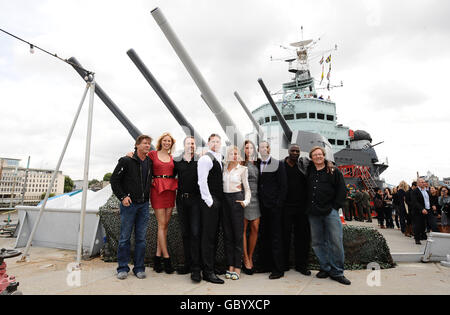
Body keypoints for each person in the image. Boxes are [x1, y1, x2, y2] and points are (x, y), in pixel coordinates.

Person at [304, 146, 350, 285]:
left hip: (330, 211)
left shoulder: (333, 171)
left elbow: (342, 190)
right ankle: (325, 267)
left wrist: (335, 207)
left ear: (324, 156)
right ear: (311, 158)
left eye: (320, 154)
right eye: (315, 155)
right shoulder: (309, 171)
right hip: (313, 212)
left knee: (335, 241)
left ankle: (337, 272)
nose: (318, 157)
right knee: (318, 242)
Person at [110, 135, 153, 280]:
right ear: (137, 145)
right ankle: (122, 268)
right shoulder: (126, 161)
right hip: (129, 205)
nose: (147, 146)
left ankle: (139, 268)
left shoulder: (149, 162)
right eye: (145, 143)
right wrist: (122, 197)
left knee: (141, 238)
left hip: (144, 205)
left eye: (149, 144)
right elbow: (114, 180)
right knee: (124, 238)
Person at [173, 136, 202, 282]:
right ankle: (188, 264)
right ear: (184, 145)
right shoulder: (177, 161)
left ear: (195, 146)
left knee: (196, 233)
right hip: (182, 201)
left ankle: (196, 269)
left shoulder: (201, 160)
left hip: (196, 200)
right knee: (185, 233)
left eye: (193, 143)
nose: (190, 145)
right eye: (188, 143)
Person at [148, 133, 178, 273]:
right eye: (165, 140)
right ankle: (166, 258)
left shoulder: (172, 158)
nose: (167, 143)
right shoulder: (153, 154)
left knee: (165, 225)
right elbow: (141, 161)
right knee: (161, 224)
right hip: (157, 190)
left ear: (171, 143)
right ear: (161, 142)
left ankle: (157, 258)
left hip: (170, 190)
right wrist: (131, 153)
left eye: (169, 141)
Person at [257, 140, 287, 279]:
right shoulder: (257, 164)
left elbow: (283, 186)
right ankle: (265, 265)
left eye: (265, 147)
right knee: (263, 236)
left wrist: (278, 204)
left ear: (269, 149)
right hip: (261, 207)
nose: (263, 149)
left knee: (276, 237)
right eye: (261, 147)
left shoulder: (278, 164)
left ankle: (278, 269)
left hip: (274, 207)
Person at [197, 133, 225, 284]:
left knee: (214, 235)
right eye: (212, 141)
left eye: (217, 141)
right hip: (210, 202)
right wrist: (210, 202)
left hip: (218, 201)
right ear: (208, 143)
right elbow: (202, 182)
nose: (215, 143)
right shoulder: (205, 158)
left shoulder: (219, 158)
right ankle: (208, 272)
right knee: (208, 237)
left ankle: (211, 266)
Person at [222, 146, 251, 280]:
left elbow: (247, 189)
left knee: (238, 235)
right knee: (227, 235)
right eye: (231, 153)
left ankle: (237, 267)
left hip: (236, 200)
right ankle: (230, 266)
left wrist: (245, 202)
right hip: (225, 201)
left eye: (235, 153)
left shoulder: (243, 169)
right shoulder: (223, 168)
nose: (233, 156)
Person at [282, 144, 311, 276]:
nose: (295, 153)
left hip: (301, 207)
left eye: (297, 151)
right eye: (293, 151)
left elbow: (319, 160)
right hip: (285, 207)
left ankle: (302, 265)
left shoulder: (304, 164)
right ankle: (284, 264)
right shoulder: (281, 165)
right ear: (288, 152)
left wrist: (329, 163)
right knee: (284, 237)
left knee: (303, 237)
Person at [241, 140, 261, 275]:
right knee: (243, 229)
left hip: (256, 199)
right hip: (244, 198)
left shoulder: (259, 163)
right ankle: (246, 259)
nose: (249, 150)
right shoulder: (240, 163)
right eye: (246, 147)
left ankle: (251, 255)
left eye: (251, 147)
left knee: (255, 228)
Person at [410, 178, 439, 245]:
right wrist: (422, 209)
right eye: (422, 182)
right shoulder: (415, 191)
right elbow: (415, 202)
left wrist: (433, 205)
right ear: (418, 183)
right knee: (418, 225)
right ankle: (417, 239)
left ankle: (438, 238)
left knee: (434, 224)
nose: (423, 183)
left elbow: (429, 200)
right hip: (419, 211)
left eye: (424, 182)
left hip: (429, 210)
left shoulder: (427, 191)